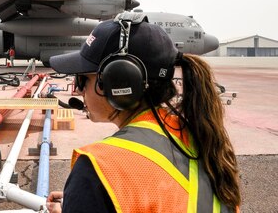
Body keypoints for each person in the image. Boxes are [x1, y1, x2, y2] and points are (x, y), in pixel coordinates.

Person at [46, 11, 240, 212]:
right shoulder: (208, 145)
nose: (78, 89)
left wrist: (88, 194)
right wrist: (87, 199)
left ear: (118, 81)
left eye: (82, 78)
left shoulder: (99, 169)